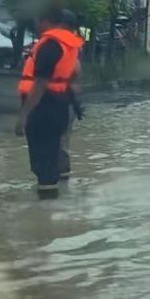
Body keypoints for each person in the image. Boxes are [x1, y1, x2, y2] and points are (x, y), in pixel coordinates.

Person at [16, 6, 84, 199]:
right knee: (51, 158)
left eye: (38, 21)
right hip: (60, 105)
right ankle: (52, 208)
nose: (36, 25)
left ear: (46, 21)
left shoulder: (49, 45)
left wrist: (23, 116)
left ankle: (45, 211)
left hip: (43, 108)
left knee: (42, 163)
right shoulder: (68, 46)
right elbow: (75, 76)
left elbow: (39, 85)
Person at [59, 10, 84, 182]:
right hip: (66, 101)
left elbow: (75, 70)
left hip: (62, 101)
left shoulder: (64, 45)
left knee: (60, 143)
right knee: (62, 143)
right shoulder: (71, 45)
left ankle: (56, 186)